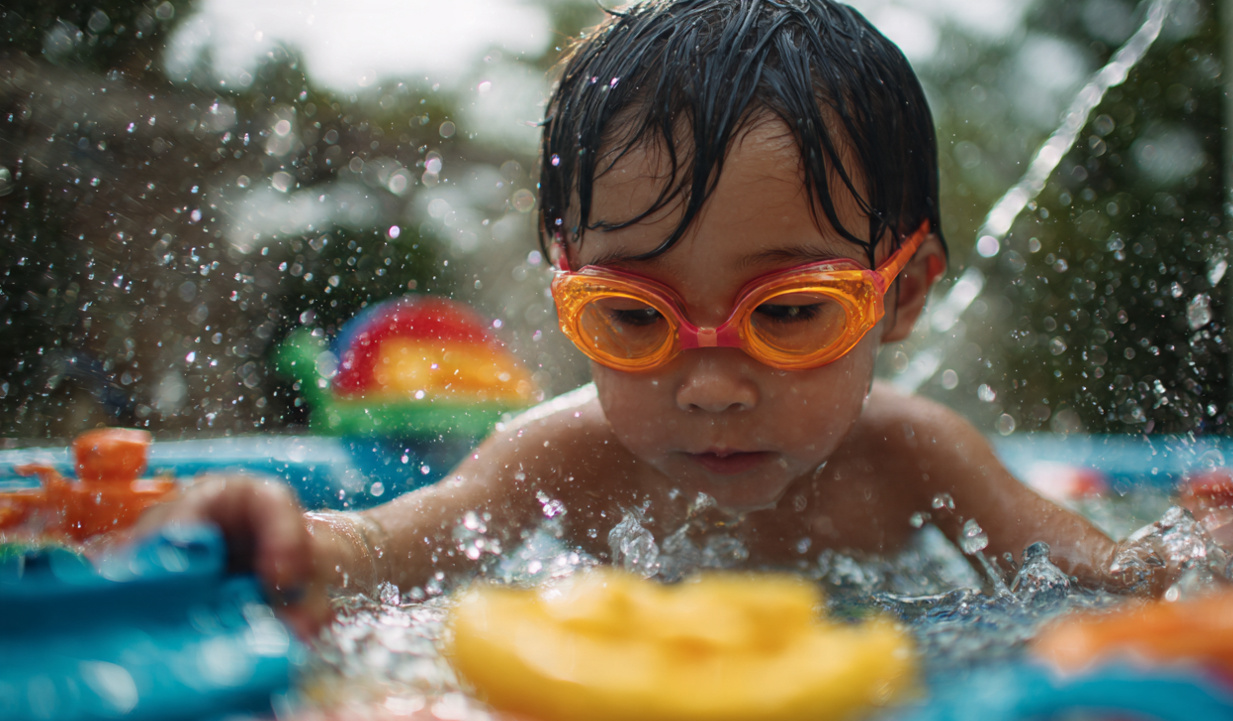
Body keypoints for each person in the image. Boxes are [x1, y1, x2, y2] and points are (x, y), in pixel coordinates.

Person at [132, 0, 1120, 631]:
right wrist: (281, 538)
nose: (711, 389)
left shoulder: (920, 458)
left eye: (792, 312)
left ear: (899, 296)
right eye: (635, 319)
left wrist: (1196, 562)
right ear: (570, 293)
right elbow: (395, 548)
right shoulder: (554, 457)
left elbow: (1106, 579)